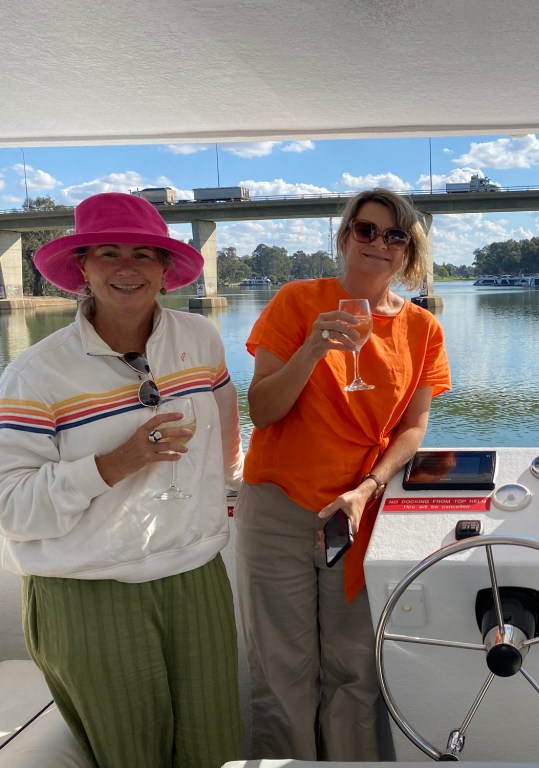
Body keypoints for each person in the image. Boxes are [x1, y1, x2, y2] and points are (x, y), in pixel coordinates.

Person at [0, 192, 245, 767]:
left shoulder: (200, 340)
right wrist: (116, 463)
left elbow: (225, 423)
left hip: (195, 574)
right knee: (132, 756)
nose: (127, 268)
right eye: (108, 253)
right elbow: (11, 507)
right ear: (82, 268)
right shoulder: (35, 373)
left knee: (214, 749)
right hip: (88, 590)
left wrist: (226, 483)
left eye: (143, 254)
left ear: (164, 268)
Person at [234, 187, 451, 760]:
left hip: (354, 514)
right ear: (346, 235)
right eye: (366, 229)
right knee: (281, 671)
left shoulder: (423, 328)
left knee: (354, 670)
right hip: (278, 508)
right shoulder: (296, 301)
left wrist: (367, 488)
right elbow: (262, 411)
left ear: (409, 251)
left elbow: (413, 427)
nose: (379, 243)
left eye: (395, 235)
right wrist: (311, 349)